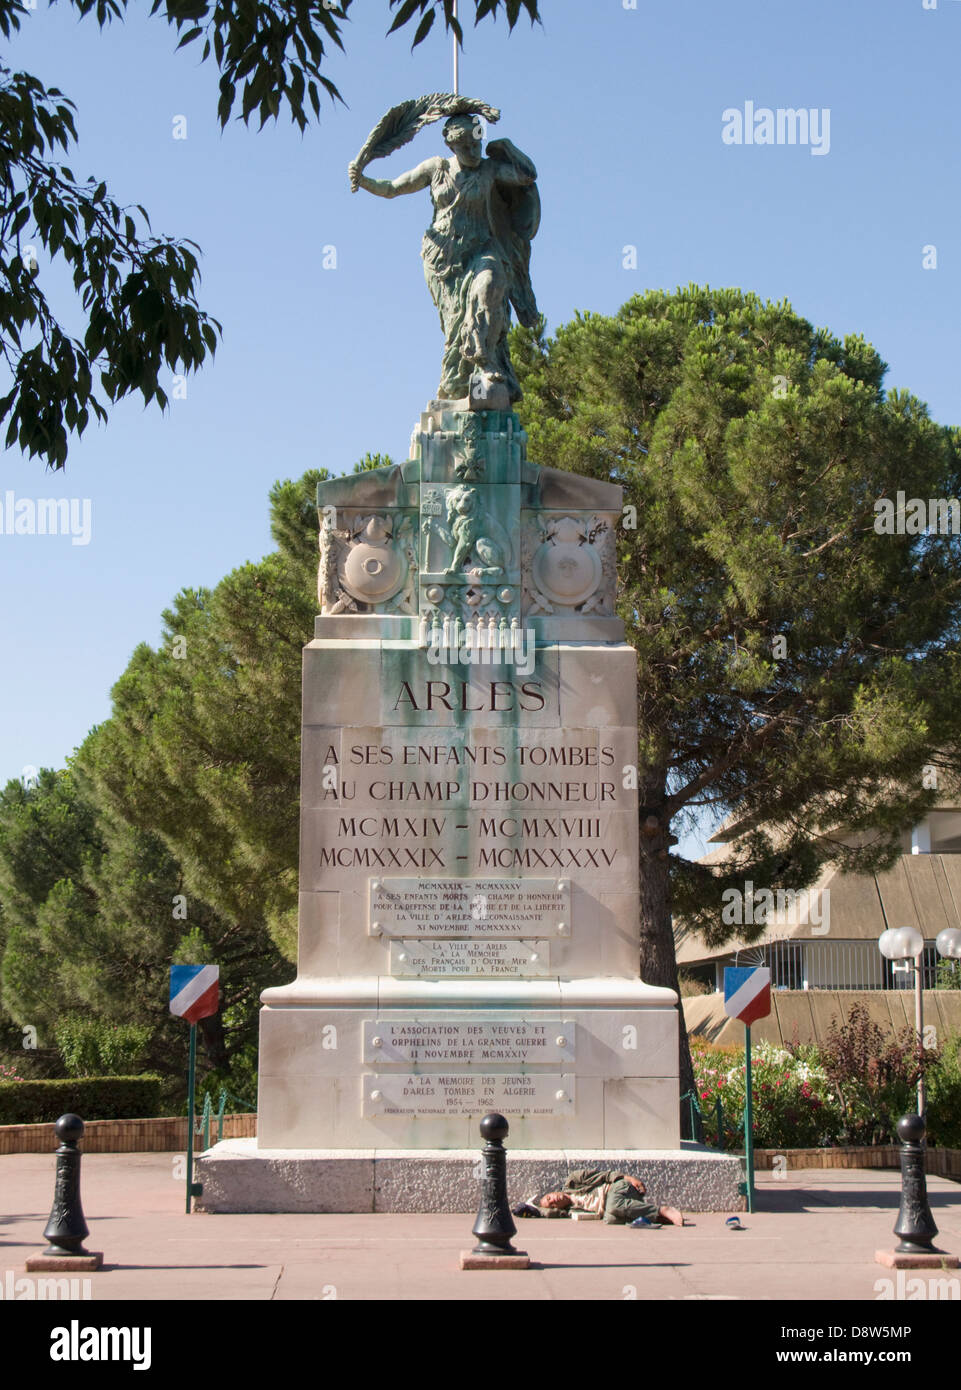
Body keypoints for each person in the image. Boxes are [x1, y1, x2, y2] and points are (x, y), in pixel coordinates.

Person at [349, 114, 539, 404]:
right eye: (465, 146)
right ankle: (457, 387)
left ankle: (485, 363)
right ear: (451, 145)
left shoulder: (489, 170)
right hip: (443, 258)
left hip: (481, 249)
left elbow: (527, 175)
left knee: (488, 288)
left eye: (476, 143)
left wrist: (508, 147)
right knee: (455, 323)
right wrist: (362, 179)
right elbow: (392, 189)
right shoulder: (435, 168)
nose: (473, 151)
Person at [514, 1169, 685, 1225]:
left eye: (550, 1197)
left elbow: (605, 1175)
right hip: (614, 1206)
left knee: (614, 1208)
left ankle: (662, 1210)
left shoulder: (574, 1180)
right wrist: (533, 1209)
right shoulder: (570, 1211)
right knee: (610, 1219)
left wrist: (629, 1178)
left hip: (617, 1189)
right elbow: (547, 1214)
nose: (554, 1201)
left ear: (553, 1192)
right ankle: (658, 1217)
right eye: (552, 1205)